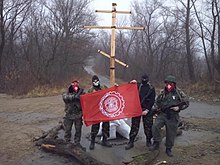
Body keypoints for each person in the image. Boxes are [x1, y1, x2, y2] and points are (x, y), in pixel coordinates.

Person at [149, 75, 189, 157]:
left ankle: (168, 148)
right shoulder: (162, 92)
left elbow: (186, 102)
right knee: (155, 126)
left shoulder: (179, 92)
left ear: (174, 84)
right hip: (163, 114)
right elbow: (157, 102)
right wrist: (155, 109)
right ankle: (156, 142)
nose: (168, 85)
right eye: (167, 83)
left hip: (173, 115)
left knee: (171, 133)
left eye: (170, 83)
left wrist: (178, 108)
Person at [125, 74, 156, 150]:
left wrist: (147, 110)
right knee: (134, 126)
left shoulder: (151, 88)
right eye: (143, 79)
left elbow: (152, 100)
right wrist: (130, 82)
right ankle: (131, 141)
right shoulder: (137, 85)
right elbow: (128, 88)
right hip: (136, 109)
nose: (144, 80)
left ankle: (148, 141)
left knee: (148, 126)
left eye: (145, 79)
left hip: (147, 109)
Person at [88, 75, 112, 150]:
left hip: (104, 110)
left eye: (97, 80)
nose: (96, 82)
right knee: (95, 126)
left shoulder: (104, 87)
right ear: (92, 82)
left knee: (106, 125)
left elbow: (110, 93)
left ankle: (105, 140)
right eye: (94, 81)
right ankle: (92, 141)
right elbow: (88, 100)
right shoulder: (90, 90)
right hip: (96, 111)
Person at [62, 79, 85, 149]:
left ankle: (77, 143)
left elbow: (87, 98)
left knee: (78, 130)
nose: (75, 84)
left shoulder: (81, 92)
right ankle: (67, 142)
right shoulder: (67, 91)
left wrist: (80, 96)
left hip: (78, 114)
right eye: (73, 83)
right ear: (71, 83)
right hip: (69, 114)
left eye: (76, 83)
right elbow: (65, 97)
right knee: (67, 130)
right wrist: (74, 96)